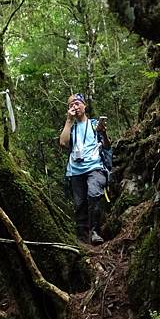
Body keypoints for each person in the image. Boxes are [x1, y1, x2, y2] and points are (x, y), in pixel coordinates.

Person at [60, 93, 111, 245]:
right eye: (71, 105)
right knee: (79, 203)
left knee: (94, 193)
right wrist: (68, 121)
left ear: (84, 105)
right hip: (75, 170)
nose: (75, 107)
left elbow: (107, 145)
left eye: (77, 103)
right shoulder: (72, 127)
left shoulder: (95, 124)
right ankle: (83, 238)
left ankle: (95, 231)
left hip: (95, 166)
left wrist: (103, 132)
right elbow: (63, 143)